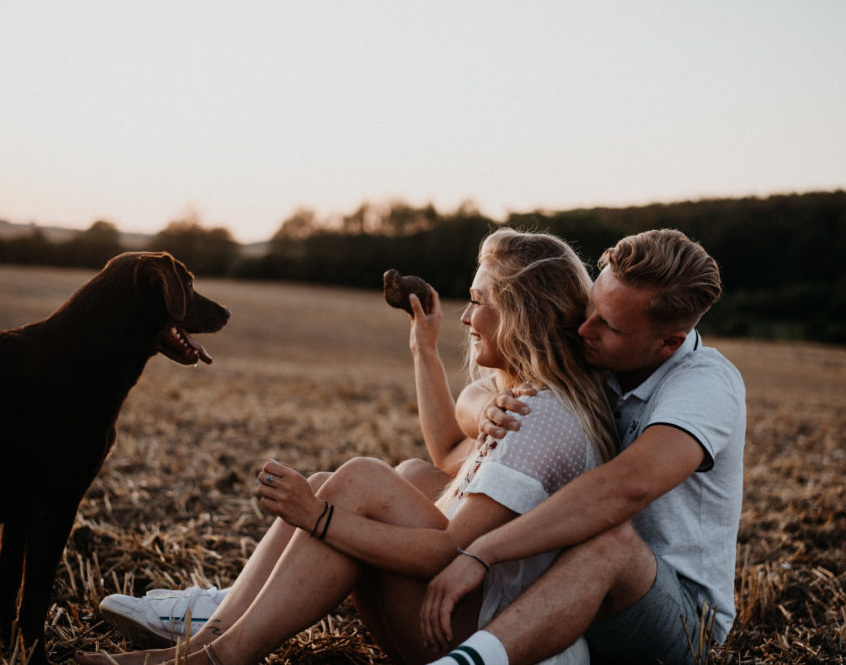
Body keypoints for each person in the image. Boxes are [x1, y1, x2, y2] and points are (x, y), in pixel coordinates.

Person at [75, 228, 618, 665]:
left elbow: (453, 552)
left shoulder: (539, 418)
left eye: (478, 301)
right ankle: (208, 643)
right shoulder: (527, 402)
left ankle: (217, 655)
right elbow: (448, 452)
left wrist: (320, 520)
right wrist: (422, 349)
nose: (466, 316)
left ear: (521, 313)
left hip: (493, 642)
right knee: (385, 476)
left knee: (357, 482)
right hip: (469, 614)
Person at [424, 228, 746, 665]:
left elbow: (626, 488)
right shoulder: (604, 355)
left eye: (608, 325)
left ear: (667, 343)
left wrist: (482, 551)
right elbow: (481, 399)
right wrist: (485, 407)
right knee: (416, 480)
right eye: (591, 305)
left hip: (677, 622)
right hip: (570, 589)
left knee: (609, 542)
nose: (583, 327)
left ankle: (470, 661)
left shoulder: (704, 386)